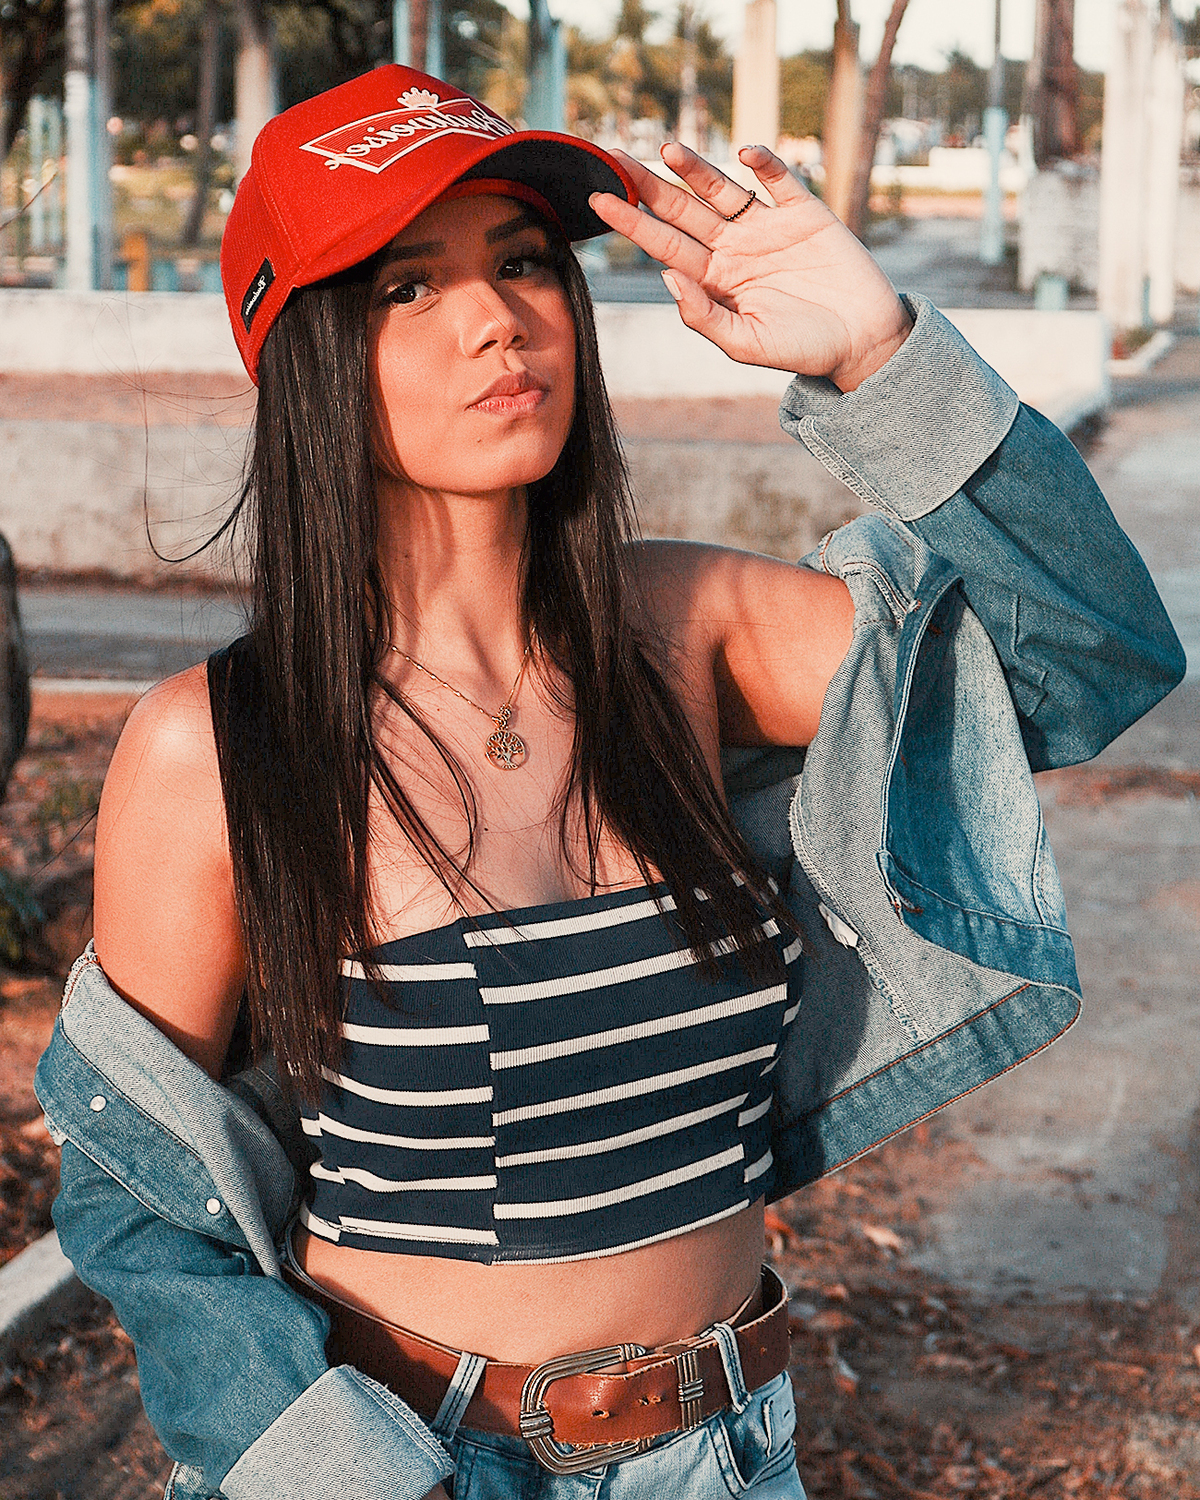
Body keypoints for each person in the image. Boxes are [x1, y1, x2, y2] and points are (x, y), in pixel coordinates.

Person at [35, 65, 1183, 1500]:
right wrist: (339, 1473)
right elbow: (135, 1196)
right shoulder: (217, 747)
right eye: (409, 285)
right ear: (308, 355)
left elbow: (1086, 662)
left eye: (523, 262)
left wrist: (877, 355)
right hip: (420, 1464)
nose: (497, 318)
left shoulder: (685, 632)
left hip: (733, 1452)